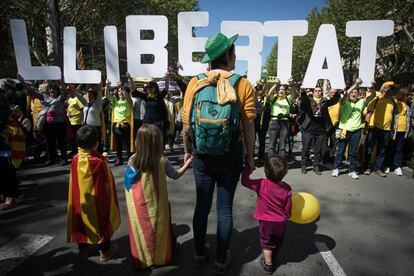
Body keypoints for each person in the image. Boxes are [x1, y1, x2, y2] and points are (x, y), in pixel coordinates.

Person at [181, 32, 256, 275]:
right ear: (227, 54)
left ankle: (199, 254)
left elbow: (185, 123)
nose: (235, 56)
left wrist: (186, 150)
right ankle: (222, 259)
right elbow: (249, 125)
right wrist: (251, 157)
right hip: (230, 153)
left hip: (202, 152)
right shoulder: (242, 83)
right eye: (233, 52)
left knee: (202, 206)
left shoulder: (195, 82)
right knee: (224, 209)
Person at [123, 124, 192, 269]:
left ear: (138, 142)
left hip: (139, 206)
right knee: (161, 228)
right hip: (159, 204)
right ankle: (164, 252)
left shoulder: (132, 161)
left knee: (143, 230)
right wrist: (187, 164)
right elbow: (175, 175)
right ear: (157, 142)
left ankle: (144, 257)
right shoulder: (162, 160)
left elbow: (128, 185)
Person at [67, 125, 120, 261]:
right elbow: (106, 182)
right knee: (101, 219)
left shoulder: (75, 159)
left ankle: (84, 249)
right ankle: (105, 250)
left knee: (80, 220)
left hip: (80, 199)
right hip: (97, 200)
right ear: (95, 144)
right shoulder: (97, 162)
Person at [241, 155, 292, 274]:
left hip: (266, 222)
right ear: (285, 173)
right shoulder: (287, 188)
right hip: (281, 222)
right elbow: (288, 205)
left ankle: (268, 264)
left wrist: (247, 169)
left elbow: (245, 181)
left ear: (265, 171)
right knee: (278, 241)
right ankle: (273, 256)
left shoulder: (262, 184)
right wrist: (288, 215)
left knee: (267, 242)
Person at [20, 75, 69, 166]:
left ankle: (63, 158)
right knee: (49, 142)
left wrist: (61, 81)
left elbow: (65, 91)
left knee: (61, 142)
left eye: (53, 89)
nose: (51, 91)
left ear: (57, 90)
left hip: (59, 124)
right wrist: (22, 81)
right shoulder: (45, 97)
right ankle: (51, 159)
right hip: (48, 124)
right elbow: (32, 92)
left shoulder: (61, 98)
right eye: (50, 89)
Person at [299, 86, 340, 175]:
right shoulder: (308, 100)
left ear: (322, 92)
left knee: (318, 150)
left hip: (321, 130)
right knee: (305, 149)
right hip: (308, 129)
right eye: (316, 91)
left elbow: (334, 100)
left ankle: (316, 166)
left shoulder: (324, 101)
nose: (318, 92)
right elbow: (303, 98)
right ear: (313, 92)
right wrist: (302, 91)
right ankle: (304, 166)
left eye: (319, 91)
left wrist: (338, 91)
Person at [331, 78, 366, 179]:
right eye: (352, 92)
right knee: (340, 150)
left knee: (353, 152)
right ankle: (336, 168)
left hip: (356, 130)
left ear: (359, 94)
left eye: (356, 92)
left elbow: (371, 96)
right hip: (342, 130)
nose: (354, 94)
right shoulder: (344, 102)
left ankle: (352, 170)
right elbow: (346, 94)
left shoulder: (361, 102)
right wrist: (356, 85)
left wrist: (371, 87)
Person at [364, 81, 399, 177]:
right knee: (369, 148)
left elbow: (394, 117)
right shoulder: (377, 98)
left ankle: (378, 168)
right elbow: (369, 113)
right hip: (374, 128)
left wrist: (393, 131)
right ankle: (368, 167)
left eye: (392, 88)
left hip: (386, 130)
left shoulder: (393, 102)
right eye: (389, 87)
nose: (391, 90)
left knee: (382, 150)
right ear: (384, 88)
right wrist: (366, 129)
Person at [0, 88, 23, 210]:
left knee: (5, 168)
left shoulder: (1, 99)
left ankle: (13, 195)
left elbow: (2, 116)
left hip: (2, 140)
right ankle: (4, 192)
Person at [106, 79, 134, 166]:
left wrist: (122, 87)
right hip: (116, 126)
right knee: (118, 144)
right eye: (119, 91)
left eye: (121, 91)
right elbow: (107, 95)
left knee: (128, 144)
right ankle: (119, 159)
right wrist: (107, 86)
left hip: (126, 125)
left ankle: (130, 160)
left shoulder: (129, 101)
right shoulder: (115, 101)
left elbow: (128, 97)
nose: (120, 92)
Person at [385, 88, 412, 176]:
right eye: (407, 95)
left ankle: (397, 167)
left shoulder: (409, 104)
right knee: (390, 148)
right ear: (402, 95)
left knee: (399, 149)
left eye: (409, 95)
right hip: (394, 129)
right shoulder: (395, 102)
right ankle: (387, 165)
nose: (409, 97)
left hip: (404, 130)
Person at [267, 83, 292, 158]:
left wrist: (292, 84)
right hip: (274, 122)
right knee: (272, 145)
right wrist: (275, 84)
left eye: (283, 89)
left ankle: (281, 165)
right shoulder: (274, 98)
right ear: (276, 91)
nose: (281, 91)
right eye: (279, 89)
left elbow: (295, 94)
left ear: (285, 91)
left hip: (284, 122)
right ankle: (271, 164)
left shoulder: (288, 98)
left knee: (282, 146)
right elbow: (269, 94)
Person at [66, 84, 84, 156]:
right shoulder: (69, 99)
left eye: (69, 90)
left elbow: (82, 109)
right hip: (71, 121)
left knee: (78, 138)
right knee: (73, 138)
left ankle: (79, 152)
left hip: (77, 121)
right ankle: (74, 151)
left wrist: (83, 120)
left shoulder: (77, 99)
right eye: (67, 90)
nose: (68, 91)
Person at [254, 79, 269, 163]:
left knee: (262, 141)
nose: (260, 90)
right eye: (259, 89)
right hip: (253, 122)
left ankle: (261, 157)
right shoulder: (253, 98)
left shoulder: (266, 98)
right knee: (252, 141)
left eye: (261, 89)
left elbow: (269, 92)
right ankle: (250, 156)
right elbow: (254, 92)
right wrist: (257, 86)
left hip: (262, 123)